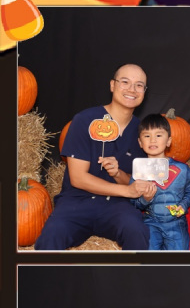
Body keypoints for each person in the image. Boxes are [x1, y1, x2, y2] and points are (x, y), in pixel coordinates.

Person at [34, 63, 155, 251]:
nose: (132, 89)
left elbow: (135, 182)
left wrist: (119, 174)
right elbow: (78, 178)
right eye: (125, 82)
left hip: (117, 206)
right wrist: (127, 191)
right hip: (77, 201)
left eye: (139, 85)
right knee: (51, 236)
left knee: (137, 231)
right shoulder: (84, 120)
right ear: (112, 85)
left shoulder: (143, 133)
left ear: (144, 92)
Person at [132, 113, 190, 250]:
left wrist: (184, 204)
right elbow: (134, 202)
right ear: (140, 143)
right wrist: (145, 199)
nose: (152, 140)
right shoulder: (139, 171)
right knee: (147, 252)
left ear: (168, 141)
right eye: (147, 136)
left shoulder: (182, 169)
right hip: (151, 222)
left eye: (158, 135)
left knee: (178, 255)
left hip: (176, 222)